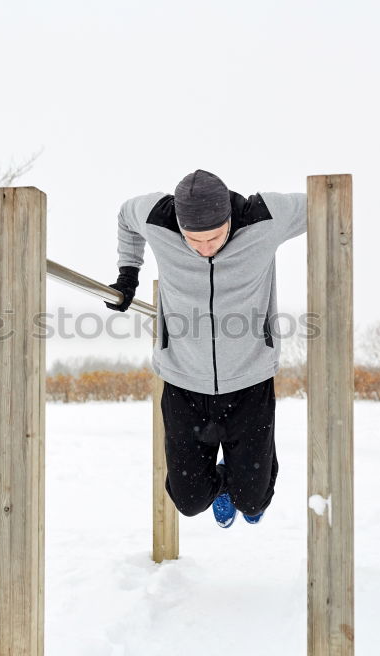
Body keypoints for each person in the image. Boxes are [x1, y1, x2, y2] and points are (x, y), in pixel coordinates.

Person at [105, 169, 307, 528]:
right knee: (189, 501)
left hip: (249, 381)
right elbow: (125, 216)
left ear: (229, 218)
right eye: (192, 240)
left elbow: (325, 204)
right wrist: (128, 274)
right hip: (184, 383)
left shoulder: (264, 217)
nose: (203, 249)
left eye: (213, 238)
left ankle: (241, 486)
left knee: (254, 500)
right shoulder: (157, 218)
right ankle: (222, 483)